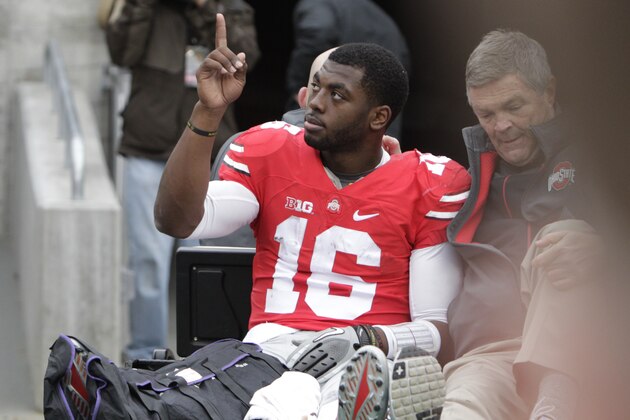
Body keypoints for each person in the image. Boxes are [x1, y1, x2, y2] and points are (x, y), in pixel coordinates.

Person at [155, 13, 470, 419]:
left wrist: (363, 337)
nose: (315, 102)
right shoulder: (269, 150)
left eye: (337, 95)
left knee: (340, 392)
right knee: (286, 397)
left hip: (371, 354)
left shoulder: (429, 181)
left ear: (378, 117)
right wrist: (206, 113)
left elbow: (436, 331)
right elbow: (177, 221)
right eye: (316, 86)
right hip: (272, 349)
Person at [441, 29, 606, 420]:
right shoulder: (458, 178)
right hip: (490, 355)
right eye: (486, 115)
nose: (500, 127)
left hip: (591, 351)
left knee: (564, 237)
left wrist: (610, 249)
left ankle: (554, 401)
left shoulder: (608, 155)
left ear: (548, 91)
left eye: (514, 106)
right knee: (464, 408)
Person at [104, 0, 260, 361]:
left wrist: (207, 9)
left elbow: (247, 57)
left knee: (207, 260)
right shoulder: (146, 7)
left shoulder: (230, 7)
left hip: (207, 154)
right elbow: (120, 52)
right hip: (149, 148)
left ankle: (209, 356)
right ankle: (146, 354)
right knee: (148, 261)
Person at [285, 0, 411, 139]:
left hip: (332, 130)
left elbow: (318, 34)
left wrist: (301, 85)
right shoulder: (383, 19)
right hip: (378, 129)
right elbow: (402, 64)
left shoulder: (320, 4)